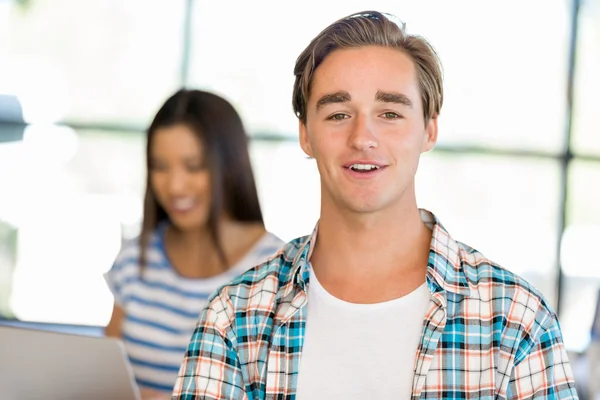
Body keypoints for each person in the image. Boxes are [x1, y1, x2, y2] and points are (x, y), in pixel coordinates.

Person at [171, 11, 578, 400]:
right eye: (337, 114)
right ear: (306, 135)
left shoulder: (515, 321)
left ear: (429, 129)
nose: (363, 137)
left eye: (389, 113)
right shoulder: (235, 317)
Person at [104, 89, 284, 399]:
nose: (174, 186)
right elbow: (103, 377)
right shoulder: (136, 257)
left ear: (230, 166)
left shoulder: (279, 271)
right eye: (160, 166)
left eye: (194, 166)